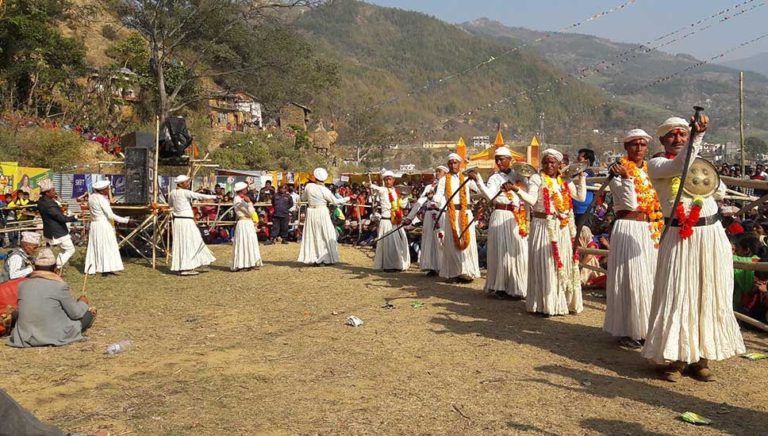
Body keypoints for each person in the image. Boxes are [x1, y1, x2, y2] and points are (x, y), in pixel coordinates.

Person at [643, 116, 745, 382]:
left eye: (682, 134)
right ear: (662, 140)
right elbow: (679, 165)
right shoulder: (657, 164)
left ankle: (702, 359)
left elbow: (719, 190)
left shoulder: (700, 164)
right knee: (678, 293)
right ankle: (676, 359)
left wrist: (702, 175)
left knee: (708, 292)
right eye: (672, 135)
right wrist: (697, 136)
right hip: (679, 236)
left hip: (710, 235)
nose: (677, 139)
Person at [603, 129, 662, 348]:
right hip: (628, 226)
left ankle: (646, 328)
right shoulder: (616, 170)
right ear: (626, 147)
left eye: (642, 144)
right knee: (631, 279)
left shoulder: (649, 171)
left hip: (649, 228)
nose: (638, 148)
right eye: (634, 144)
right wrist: (626, 178)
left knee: (649, 277)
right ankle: (628, 329)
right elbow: (629, 203)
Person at [526, 149, 587, 316]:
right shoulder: (537, 178)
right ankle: (545, 304)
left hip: (561, 227)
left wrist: (581, 177)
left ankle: (562, 302)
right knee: (545, 264)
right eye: (545, 162)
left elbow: (581, 197)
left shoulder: (564, 180)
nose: (549, 165)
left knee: (562, 263)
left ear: (559, 164)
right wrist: (516, 190)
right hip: (543, 225)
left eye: (552, 162)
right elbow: (532, 200)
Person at [473, 147, 535, 299]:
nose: (499, 162)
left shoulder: (519, 175)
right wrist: (479, 181)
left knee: (518, 251)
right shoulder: (494, 178)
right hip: (500, 215)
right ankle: (500, 287)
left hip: (517, 217)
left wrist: (525, 180)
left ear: (510, 160)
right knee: (500, 251)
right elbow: (491, 197)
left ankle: (518, 286)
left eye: (502, 159)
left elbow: (529, 193)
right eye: (497, 160)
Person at [8, 248, 97, 348]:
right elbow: (76, 314)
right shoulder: (59, 286)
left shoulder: (22, 285)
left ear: (34, 267)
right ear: (55, 268)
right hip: (54, 335)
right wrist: (83, 302)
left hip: (26, 337)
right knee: (89, 314)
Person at [431, 153, 481, 283]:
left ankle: (467, 272)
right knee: (452, 243)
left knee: (467, 241)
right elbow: (438, 195)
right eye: (450, 163)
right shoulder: (443, 180)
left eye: (455, 163)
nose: (453, 165)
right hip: (452, 214)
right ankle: (454, 273)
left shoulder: (466, 178)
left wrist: (476, 178)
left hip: (465, 213)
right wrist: (433, 200)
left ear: (460, 164)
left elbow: (480, 190)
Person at [298, 168, 348, 265]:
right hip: (322, 212)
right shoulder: (325, 190)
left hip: (311, 212)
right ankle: (324, 258)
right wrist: (348, 198)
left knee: (313, 234)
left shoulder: (309, 186)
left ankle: (314, 257)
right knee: (326, 234)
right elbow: (335, 201)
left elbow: (303, 198)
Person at [169, 175, 218, 276]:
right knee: (190, 241)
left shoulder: (172, 193)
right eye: (186, 182)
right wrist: (215, 197)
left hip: (178, 221)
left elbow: (170, 204)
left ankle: (189, 264)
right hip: (186, 221)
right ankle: (186, 267)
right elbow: (199, 196)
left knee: (185, 242)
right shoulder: (185, 192)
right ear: (181, 184)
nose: (188, 184)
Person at [404, 165, 448, 276]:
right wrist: (410, 217)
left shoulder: (448, 186)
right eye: (436, 171)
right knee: (429, 240)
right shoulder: (429, 187)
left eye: (440, 171)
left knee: (441, 240)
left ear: (445, 174)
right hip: (429, 215)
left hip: (441, 214)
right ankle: (432, 267)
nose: (437, 173)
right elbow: (420, 202)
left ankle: (444, 267)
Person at [84, 180, 130, 276]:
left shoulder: (91, 197)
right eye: (107, 189)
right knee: (107, 246)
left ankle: (97, 267)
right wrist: (126, 220)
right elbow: (110, 215)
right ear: (103, 190)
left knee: (96, 246)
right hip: (103, 225)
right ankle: (106, 268)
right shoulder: (102, 199)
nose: (108, 190)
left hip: (95, 224)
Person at [370, 170, 411, 272]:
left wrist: (406, 197)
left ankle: (398, 264)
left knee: (399, 243)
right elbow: (376, 188)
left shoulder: (395, 191)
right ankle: (389, 266)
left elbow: (401, 205)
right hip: (386, 221)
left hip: (396, 221)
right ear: (384, 181)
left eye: (390, 179)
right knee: (389, 245)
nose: (388, 181)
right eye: (386, 179)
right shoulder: (383, 190)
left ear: (393, 180)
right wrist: (369, 185)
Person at [36, 179, 78, 270]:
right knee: (71, 249)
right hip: (57, 231)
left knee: (63, 250)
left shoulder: (41, 201)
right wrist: (75, 217)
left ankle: (56, 266)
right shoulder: (50, 204)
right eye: (53, 190)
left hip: (50, 230)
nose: (55, 192)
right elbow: (61, 218)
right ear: (47, 193)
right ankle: (57, 267)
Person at [232, 182, 262, 271]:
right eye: (245, 188)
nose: (247, 190)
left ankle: (251, 263)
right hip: (243, 223)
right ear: (242, 190)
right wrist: (249, 202)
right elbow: (249, 212)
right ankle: (242, 264)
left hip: (248, 223)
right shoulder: (237, 199)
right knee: (243, 243)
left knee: (250, 242)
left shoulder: (242, 198)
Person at [573, 148, 596, 226]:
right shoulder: (576, 173)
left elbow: (576, 180)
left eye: (579, 159)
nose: (577, 161)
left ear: (587, 161)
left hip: (584, 211)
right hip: (575, 210)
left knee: (584, 231)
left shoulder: (589, 173)